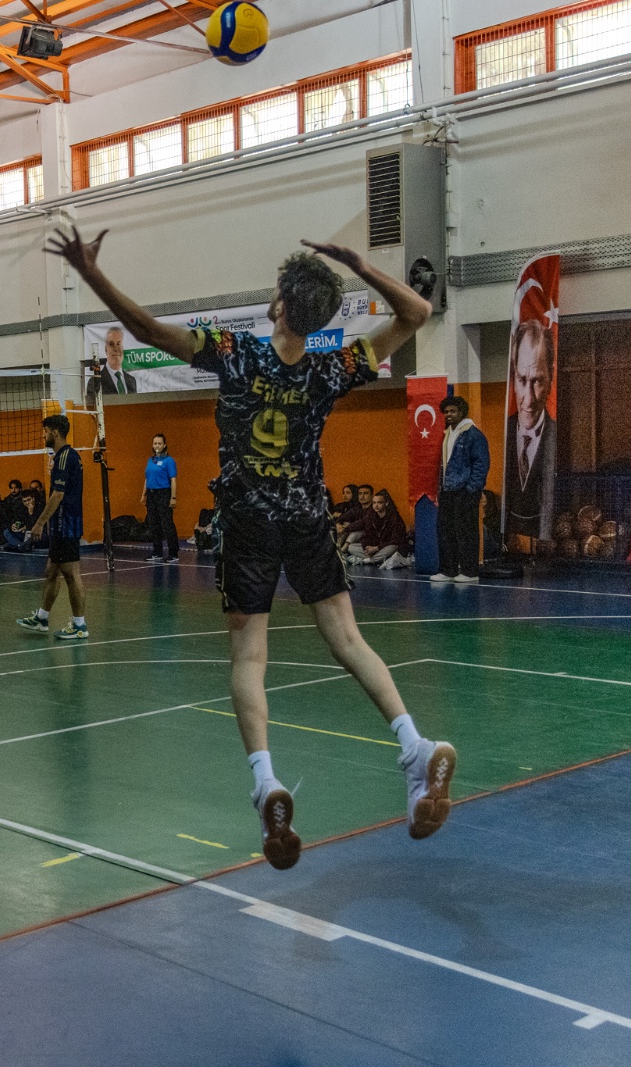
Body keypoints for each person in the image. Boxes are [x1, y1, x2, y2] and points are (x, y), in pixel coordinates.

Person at [48, 224, 458, 870]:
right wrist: (358, 262)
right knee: (349, 641)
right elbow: (418, 313)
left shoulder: (235, 354)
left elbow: (148, 331)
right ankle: (412, 745)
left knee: (249, 654)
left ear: (278, 307)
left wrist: (92, 274)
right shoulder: (331, 367)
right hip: (307, 517)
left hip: (247, 522)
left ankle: (266, 782)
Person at [16, 415, 89, 639]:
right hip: (60, 525)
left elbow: (58, 495)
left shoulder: (65, 457)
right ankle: (42, 618)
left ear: (55, 432)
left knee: (71, 574)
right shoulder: (63, 457)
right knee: (51, 571)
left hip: (66, 524)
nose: (43, 435)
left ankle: (80, 626)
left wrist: (39, 523)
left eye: (45, 431)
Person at [503, 319, 557, 540]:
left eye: (537, 381)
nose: (528, 399)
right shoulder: (504, 433)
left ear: (551, 377)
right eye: (522, 380)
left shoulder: (556, 436)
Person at [433, 395, 491, 583]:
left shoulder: (473, 434)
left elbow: (481, 463)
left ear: (461, 412)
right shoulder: (448, 434)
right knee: (445, 532)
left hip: (465, 491)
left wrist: (472, 488)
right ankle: (448, 570)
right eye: (446, 412)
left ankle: (470, 572)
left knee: (466, 532)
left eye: (453, 411)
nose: (449, 414)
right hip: (448, 491)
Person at [347, 490, 412, 569]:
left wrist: (377, 548)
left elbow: (396, 540)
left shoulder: (394, 518)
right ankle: (378, 559)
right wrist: (367, 547)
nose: (376, 505)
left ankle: (365, 561)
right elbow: (366, 535)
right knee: (351, 547)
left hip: (386, 547)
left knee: (393, 548)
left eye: (379, 503)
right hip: (375, 548)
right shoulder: (371, 516)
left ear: (386, 503)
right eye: (374, 503)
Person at [141, 433, 179, 563]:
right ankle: (157, 552)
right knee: (154, 524)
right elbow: (147, 479)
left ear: (164, 445)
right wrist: (143, 494)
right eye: (155, 443)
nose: (157, 445)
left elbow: (173, 480)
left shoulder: (169, 461)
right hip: (151, 494)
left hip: (164, 494)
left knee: (167, 523)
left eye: (159, 443)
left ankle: (173, 553)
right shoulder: (150, 461)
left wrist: (173, 497)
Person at [84, 326, 139, 406]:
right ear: (106, 349)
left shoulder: (132, 381)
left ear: (123, 348)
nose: (116, 349)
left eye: (118, 344)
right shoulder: (95, 382)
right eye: (111, 344)